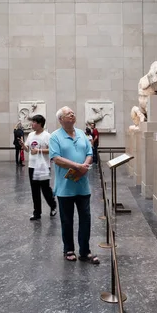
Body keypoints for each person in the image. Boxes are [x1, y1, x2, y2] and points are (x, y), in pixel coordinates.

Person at [49, 107, 99, 264]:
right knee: (67, 220)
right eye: (68, 114)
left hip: (83, 185)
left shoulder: (82, 134)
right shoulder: (55, 137)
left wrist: (85, 164)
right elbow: (56, 158)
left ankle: (85, 251)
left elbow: (90, 153)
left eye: (72, 113)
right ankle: (68, 249)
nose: (72, 114)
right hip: (65, 187)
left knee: (86, 219)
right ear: (61, 119)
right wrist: (78, 166)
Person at [20, 115, 57, 221]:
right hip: (32, 166)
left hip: (44, 166)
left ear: (40, 124)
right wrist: (23, 145)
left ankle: (53, 205)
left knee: (45, 189)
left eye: (34, 122)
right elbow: (28, 149)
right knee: (34, 190)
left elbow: (52, 150)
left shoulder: (47, 136)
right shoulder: (31, 135)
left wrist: (39, 151)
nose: (32, 124)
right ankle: (37, 212)